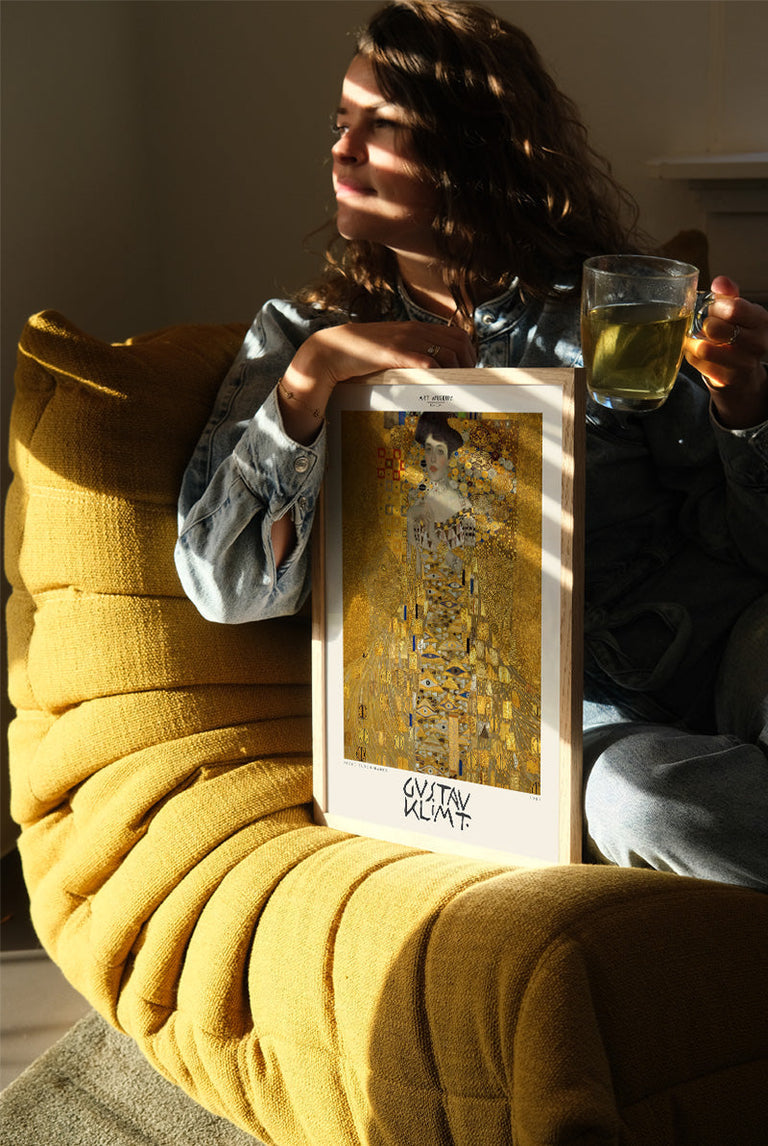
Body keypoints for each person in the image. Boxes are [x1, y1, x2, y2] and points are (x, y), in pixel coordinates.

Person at [176, 0, 768, 889]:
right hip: (575, 723)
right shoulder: (303, 338)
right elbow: (226, 588)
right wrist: (311, 378)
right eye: (340, 124)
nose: (341, 150)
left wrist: (745, 408)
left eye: (381, 126)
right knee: (647, 806)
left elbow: (744, 544)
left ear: (472, 148)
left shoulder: (606, 311)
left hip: (732, 647)